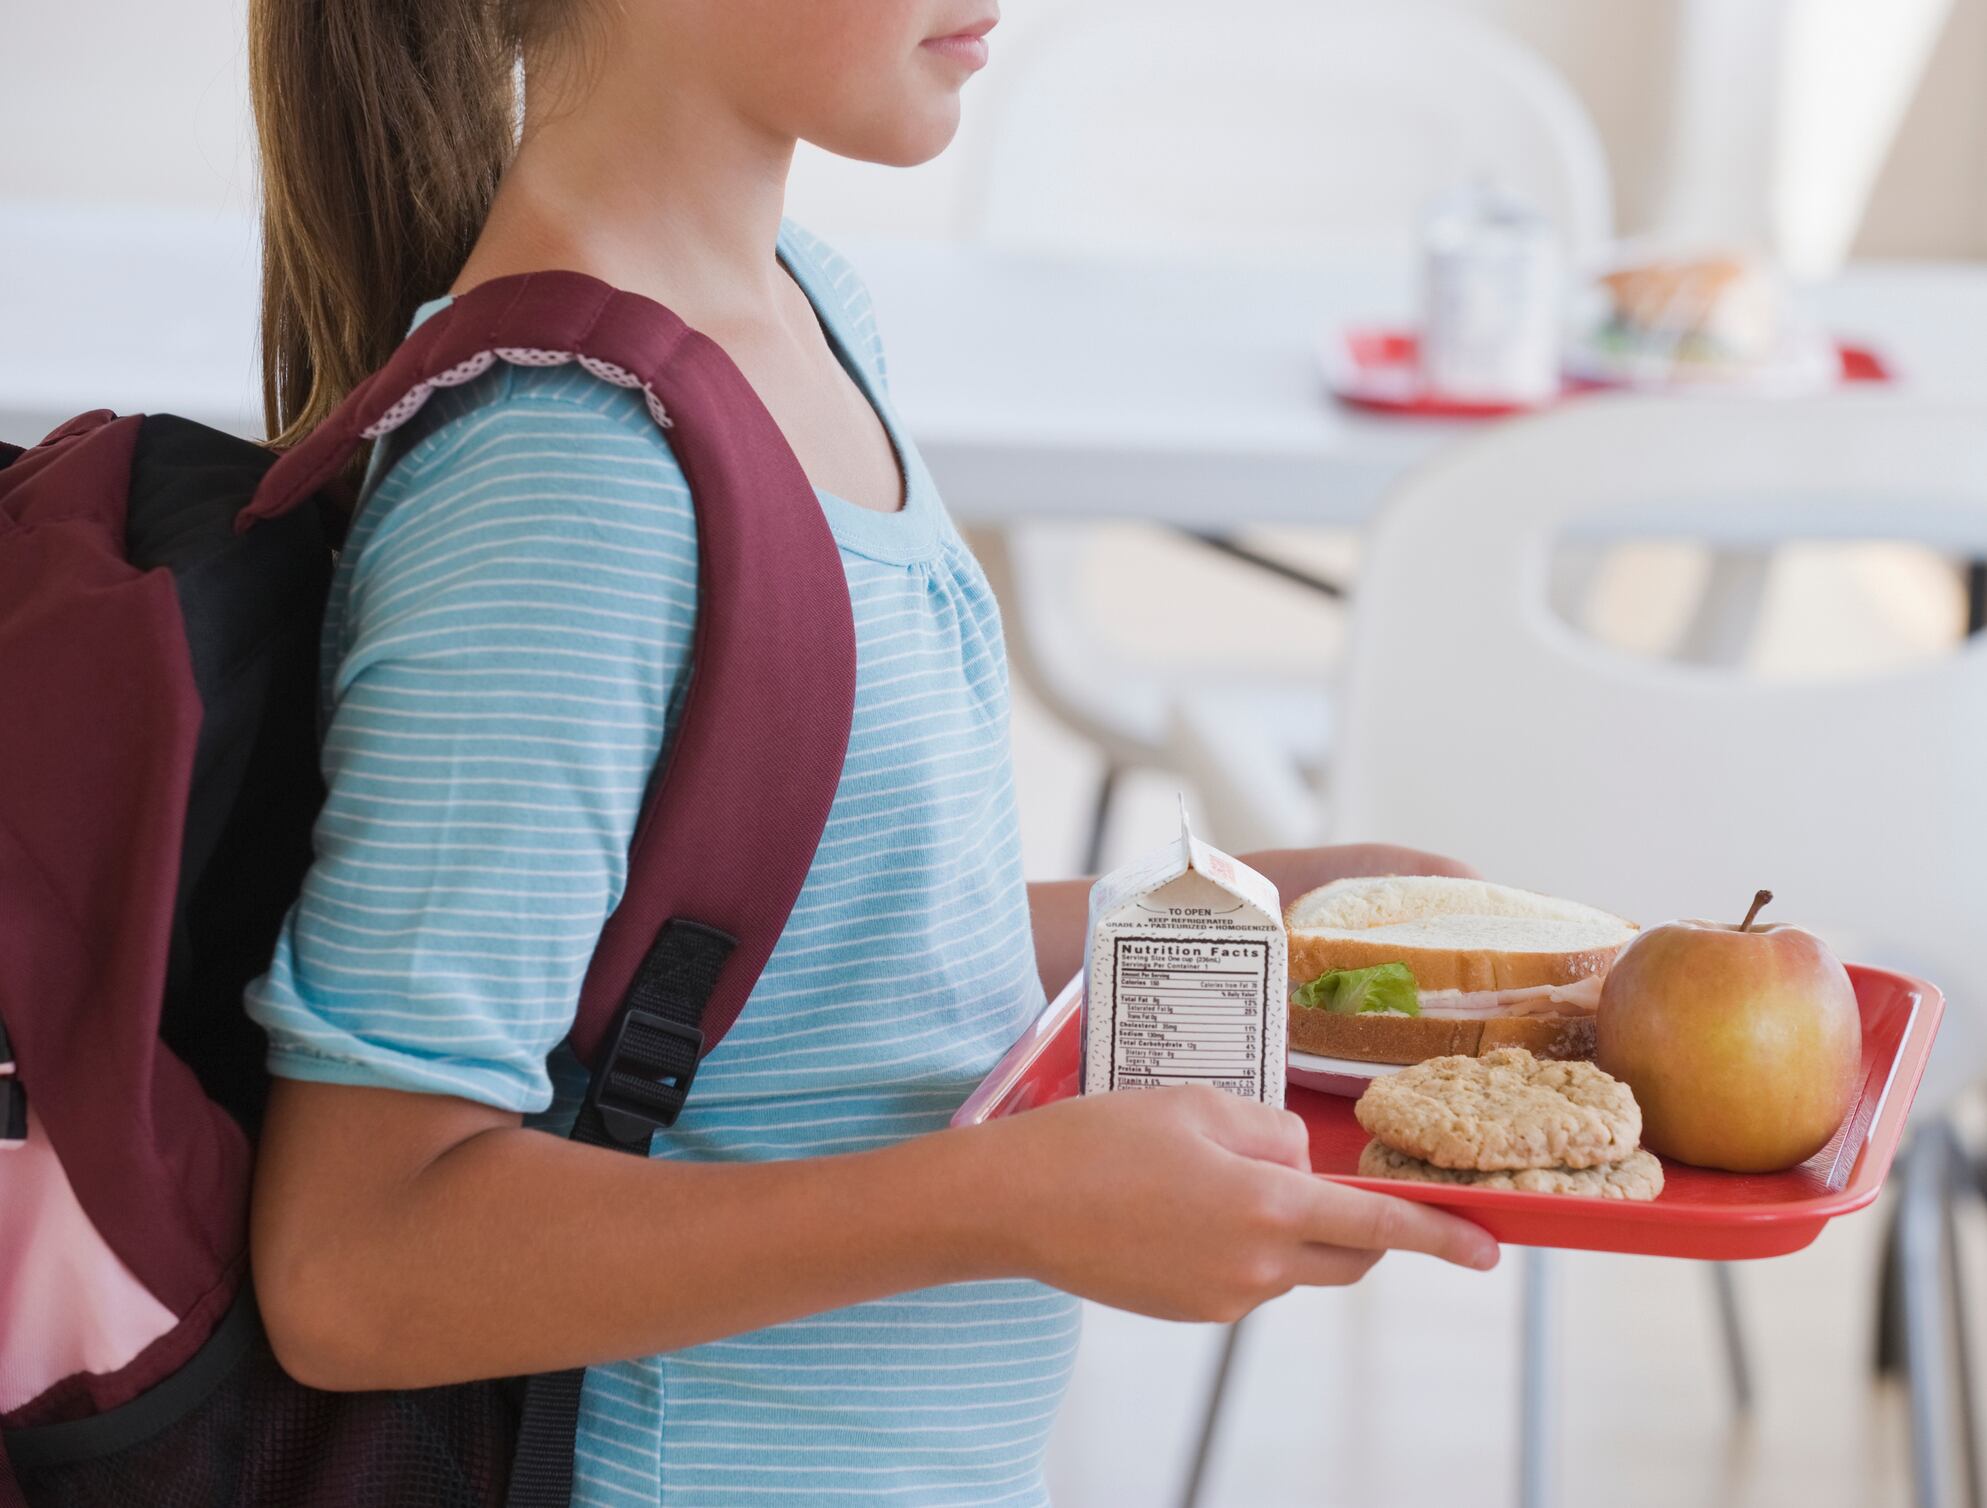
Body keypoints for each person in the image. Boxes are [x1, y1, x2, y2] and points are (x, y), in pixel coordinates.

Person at [243, 2, 1500, 1502]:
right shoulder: (566, 473)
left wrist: (1229, 924)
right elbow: (353, 1263)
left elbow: (817, 963)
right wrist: (1000, 1207)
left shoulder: (800, 313)